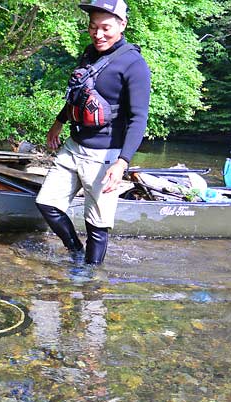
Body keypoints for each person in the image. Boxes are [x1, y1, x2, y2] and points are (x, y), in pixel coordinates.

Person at [36, 0, 151, 265]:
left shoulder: (134, 64)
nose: (98, 34)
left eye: (106, 28)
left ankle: (90, 281)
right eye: (93, 27)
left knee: (96, 226)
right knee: (47, 203)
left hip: (106, 156)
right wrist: (59, 121)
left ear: (122, 25)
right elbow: (79, 95)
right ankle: (76, 252)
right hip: (74, 146)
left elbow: (139, 118)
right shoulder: (90, 53)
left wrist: (122, 163)